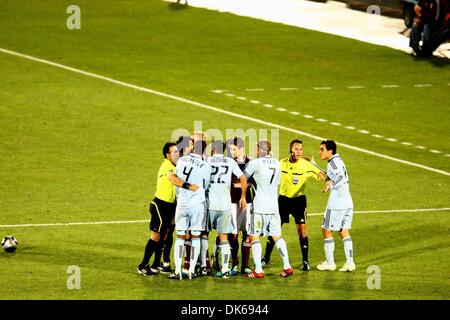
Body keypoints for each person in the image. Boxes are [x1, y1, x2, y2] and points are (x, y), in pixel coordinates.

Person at [262, 139, 327, 271]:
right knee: (275, 229)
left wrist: (327, 181)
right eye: (296, 149)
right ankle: (266, 258)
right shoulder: (282, 163)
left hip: (299, 201)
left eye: (301, 149)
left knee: (302, 230)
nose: (299, 151)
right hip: (283, 201)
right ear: (291, 150)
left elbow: (321, 174)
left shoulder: (306, 165)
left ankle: (305, 261)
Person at [244, 140, 293, 278]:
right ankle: (287, 266)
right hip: (273, 206)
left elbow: (243, 179)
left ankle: (258, 270)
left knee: (254, 236)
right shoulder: (277, 163)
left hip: (259, 207)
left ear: (260, 149)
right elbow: (276, 182)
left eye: (256, 148)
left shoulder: (255, 163)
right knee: (277, 236)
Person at [168, 139, 212, 280]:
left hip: (182, 203)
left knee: (180, 237)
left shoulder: (181, 160)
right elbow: (204, 187)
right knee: (195, 236)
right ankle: (191, 270)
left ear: (193, 147)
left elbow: (176, 178)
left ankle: (178, 271)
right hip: (197, 204)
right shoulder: (206, 165)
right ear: (204, 151)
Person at [206, 140, 248, 278]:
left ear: (213, 149)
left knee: (202, 236)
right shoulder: (230, 162)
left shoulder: (207, 160)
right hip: (225, 206)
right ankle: (224, 270)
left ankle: (203, 266)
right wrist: (243, 196)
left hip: (210, 205)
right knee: (224, 238)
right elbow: (243, 178)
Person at [137, 142, 180, 276]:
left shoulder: (174, 166)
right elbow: (173, 179)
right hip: (160, 205)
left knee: (165, 235)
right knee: (156, 236)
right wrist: (190, 186)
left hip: (170, 205)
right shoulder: (167, 166)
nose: (177, 153)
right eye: (174, 152)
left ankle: (156, 265)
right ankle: (142, 265)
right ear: (168, 155)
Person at [317, 140, 355, 272]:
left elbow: (340, 178)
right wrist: (327, 179)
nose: (319, 152)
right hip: (347, 202)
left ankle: (330, 263)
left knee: (326, 230)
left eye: (322, 149)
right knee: (343, 231)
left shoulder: (333, 162)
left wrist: (330, 184)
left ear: (330, 151)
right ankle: (350, 263)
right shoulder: (338, 161)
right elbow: (338, 176)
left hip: (337, 204)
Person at [227, 137, 253, 275]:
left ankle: (246, 264)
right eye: (231, 149)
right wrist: (243, 184)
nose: (233, 152)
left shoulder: (250, 162)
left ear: (242, 149)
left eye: (235, 149)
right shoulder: (229, 162)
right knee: (233, 233)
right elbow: (231, 182)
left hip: (248, 202)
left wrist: (240, 184)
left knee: (247, 233)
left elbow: (252, 182)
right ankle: (235, 262)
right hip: (232, 202)